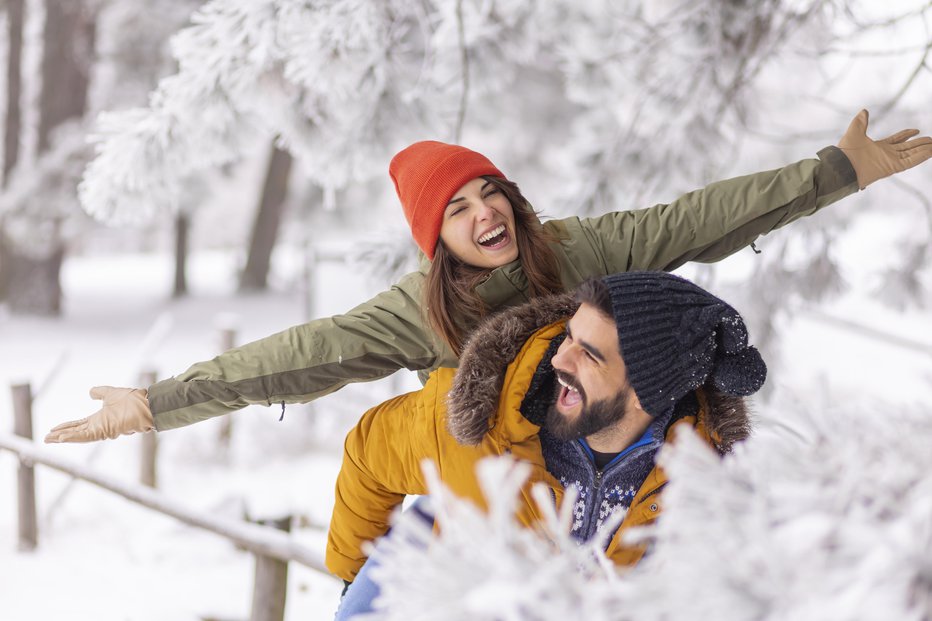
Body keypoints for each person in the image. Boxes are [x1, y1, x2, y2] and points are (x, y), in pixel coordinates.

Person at [44, 110, 931, 443]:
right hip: (495, 465)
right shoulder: (417, 314)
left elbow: (695, 219)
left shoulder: (577, 250)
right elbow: (296, 354)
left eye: (489, 191)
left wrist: (834, 173)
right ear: (440, 239)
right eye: (458, 210)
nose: (483, 213)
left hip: (610, 447)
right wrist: (161, 400)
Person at [327, 271, 765, 617]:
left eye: (589, 354)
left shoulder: (704, 489)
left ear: (646, 394)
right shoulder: (478, 418)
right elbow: (369, 454)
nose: (559, 359)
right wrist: (354, 583)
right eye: (568, 336)